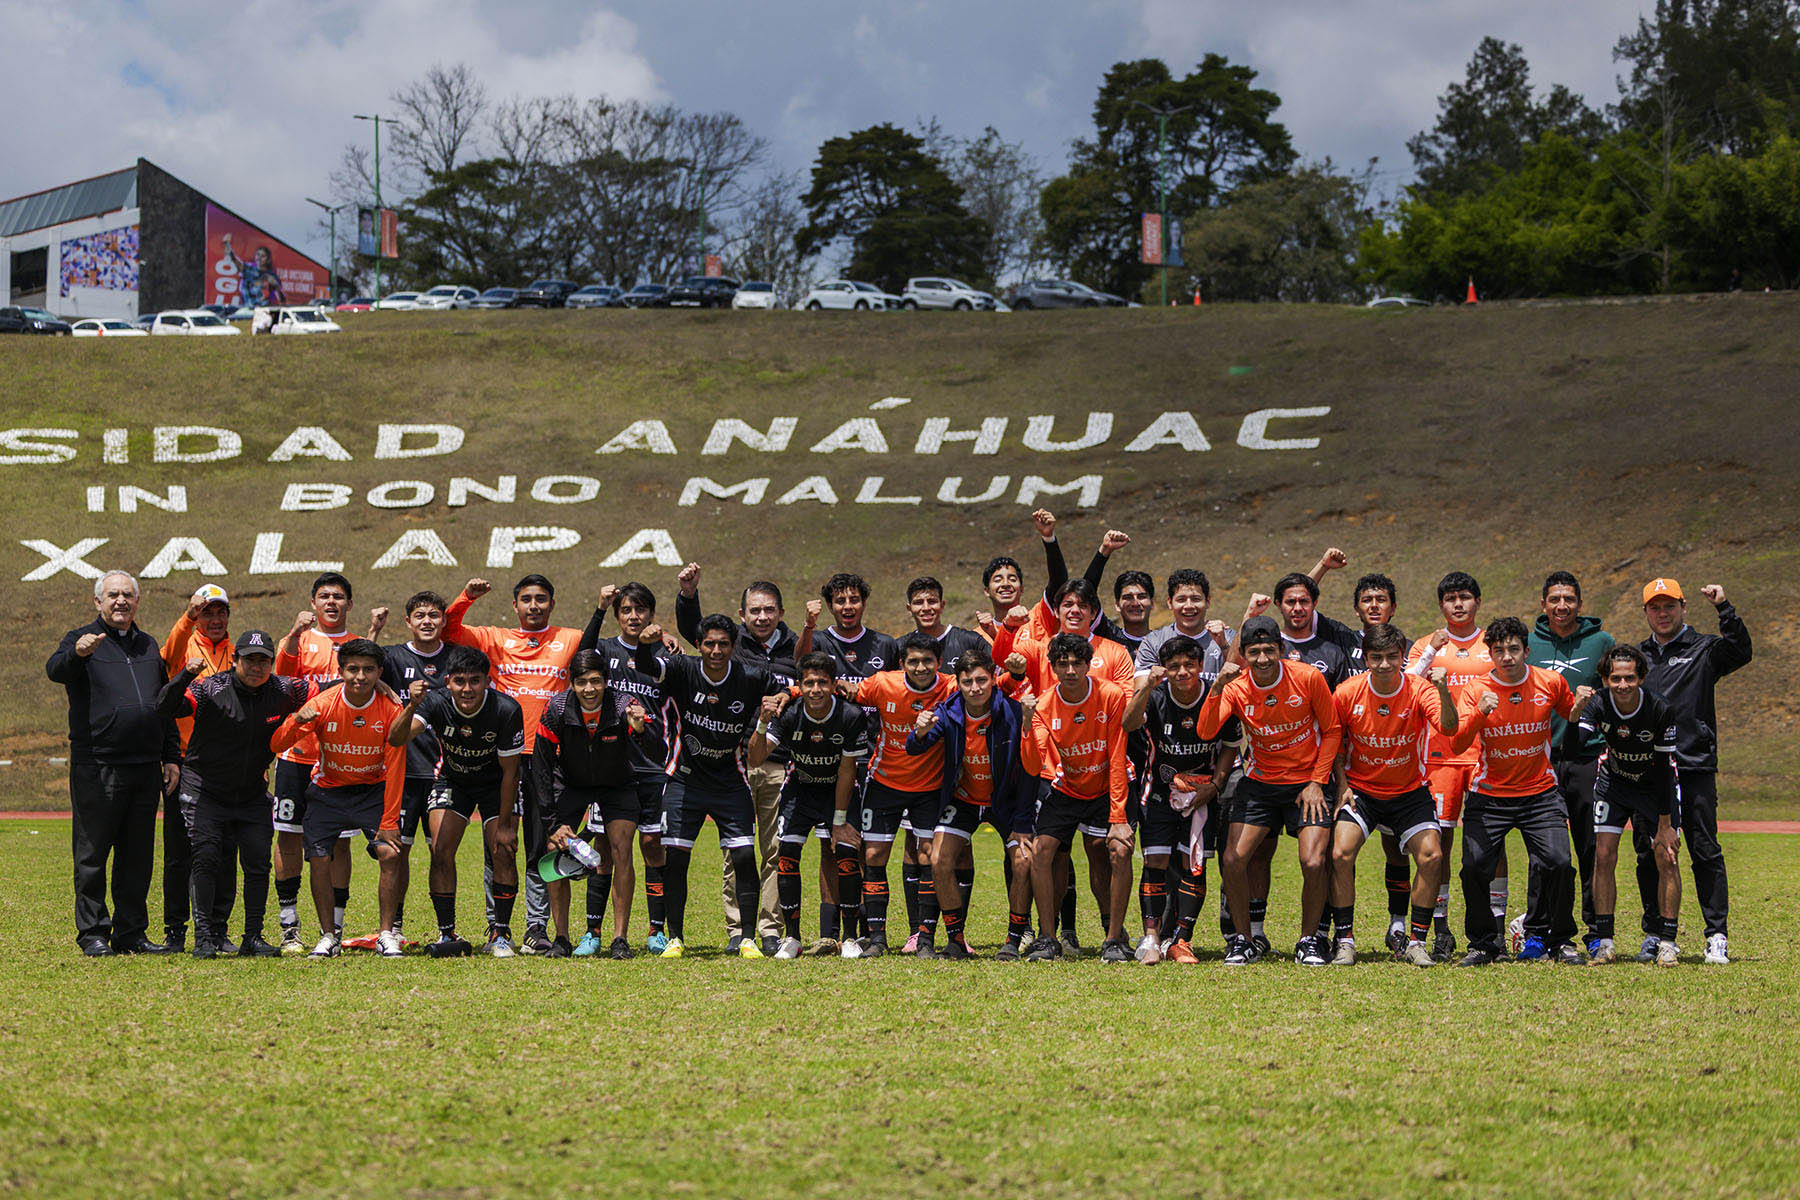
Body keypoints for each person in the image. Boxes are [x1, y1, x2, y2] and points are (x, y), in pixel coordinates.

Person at [443, 574, 583, 956]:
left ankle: (536, 927)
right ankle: (497, 926)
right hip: (500, 754)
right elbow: (450, 630)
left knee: (541, 841)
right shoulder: (494, 638)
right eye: (526, 599)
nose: (534, 606)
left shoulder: (570, 637)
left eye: (541, 599)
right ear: (515, 605)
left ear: (552, 604)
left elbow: (604, 654)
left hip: (548, 756)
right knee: (500, 843)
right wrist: (465, 597)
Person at [46, 571, 181, 956]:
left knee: (137, 856)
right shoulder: (80, 639)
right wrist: (78, 653)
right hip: (98, 764)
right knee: (92, 853)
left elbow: (165, 704)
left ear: (137, 601)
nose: (121, 601)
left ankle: (131, 933)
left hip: (144, 765)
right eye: (113, 595)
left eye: (128, 595)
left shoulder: (148, 644)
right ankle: (93, 933)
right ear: (97, 602)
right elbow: (55, 670)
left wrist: (170, 756)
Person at [633, 614, 784, 957]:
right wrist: (645, 642)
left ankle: (747, 938)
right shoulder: (682, 669)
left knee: (745, 855)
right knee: (676, 859)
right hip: (684, 778)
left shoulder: (750, 675)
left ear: (733, 647)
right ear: (699, 645)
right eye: (709, 644)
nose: (716, 650)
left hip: (729, 779)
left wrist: (779, 701)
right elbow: (644, 664)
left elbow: (784, 688)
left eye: (723, 644)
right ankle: (676, 938)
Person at [156, 630, 312, 958]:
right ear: (235, 660)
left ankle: (252, 937)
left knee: (257, 862)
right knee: (207, 856)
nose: (257, 666)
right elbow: (165, 705)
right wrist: (185, 675)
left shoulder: (284, 689)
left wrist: (379, 686)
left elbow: (331, 689)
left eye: (264, 660)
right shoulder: (211, 687)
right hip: (205, 788)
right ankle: (204, 937)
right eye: (250, 659)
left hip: (252, 791)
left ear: (271, 662)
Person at [1448, 617, 1593, 966]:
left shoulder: (1550, 682)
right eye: (1499, 651)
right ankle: (1484, 944)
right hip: (1490, 795)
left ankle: (1559, 940)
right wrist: (1480, 713)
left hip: (1540, 793)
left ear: (1527, 650)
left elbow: (1569, 715)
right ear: (1490, 654)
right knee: (1474, 868)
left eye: (1514, 649)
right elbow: (1458, 743)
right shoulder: (1475, 690)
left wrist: (1575, 712)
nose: (1507, 657)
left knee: (1558, 863)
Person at [1201, 616, 1342, 966]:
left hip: (1306, 784)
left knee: (1312, 861)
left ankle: (1310, 940)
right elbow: (1206, 731)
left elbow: (1333, 730)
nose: (1262, 659)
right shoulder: (1236, 687)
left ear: (1281, 649)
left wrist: (1316, 781)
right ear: (1244, 655)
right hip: (1261, 783)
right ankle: (1244, 940)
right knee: (1233, 859)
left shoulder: (1307, 677)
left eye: (1268, 650)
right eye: (1254, 652)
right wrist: (1218, 684)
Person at [675, 566, 796, 955]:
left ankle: (771, 928)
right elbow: (697, 631)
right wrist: (689, 594)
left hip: (777, 758)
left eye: (770, 609)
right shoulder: (731, 643)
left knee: (774, 848)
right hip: (736, 761)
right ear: (743, 614)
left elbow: (811, 680)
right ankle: (737, 929)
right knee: (737, 852)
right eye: (755, 610)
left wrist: (786, 697)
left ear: (780, 612)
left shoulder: (795, 644)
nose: (762, 616)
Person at [268, 639, 409, 959]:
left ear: (379, 673)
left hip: (372, 791)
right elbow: (277, 744)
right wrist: (297, 720)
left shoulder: (390, 707)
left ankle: (387, 935)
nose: (360, 676)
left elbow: (397, 765)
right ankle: (328, 936)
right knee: (319, 858)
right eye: (353, 669)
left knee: (390, 854)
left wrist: (389, 822)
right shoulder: (323, 702)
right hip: (328, 792)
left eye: (369, 670)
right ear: (341, 670)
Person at [1636, 578, 1752, 965]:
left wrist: (1724, 607)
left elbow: (1741, 651)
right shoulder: (1638, 657)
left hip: (1694, 763)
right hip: (1649, 771)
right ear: (1646, 613)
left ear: (1684, 607)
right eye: (1655, 607)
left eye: (1670, 606)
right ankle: (1654, 933)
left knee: (1704, 850)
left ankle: (1715, 935)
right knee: (1648, 851)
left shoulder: (1704, 649)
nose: (1663, 613)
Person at [1328, 624, 1458, 968]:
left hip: (1409, 792)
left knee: (1432, 856)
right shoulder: (1347, 692)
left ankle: (1416, 941)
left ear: (1403, 657)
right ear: (1366, 658)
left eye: (1392, 657)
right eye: (1376, 657)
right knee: (1340, 853)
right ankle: (1344, 940)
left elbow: (1448, 727)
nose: (1385, 665)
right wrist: (1342, 784)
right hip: (1363, 793)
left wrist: (1443, 691)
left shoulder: (1420, 689)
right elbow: (1335, 743)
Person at [388, 645, 526, 958]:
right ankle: (447, 931)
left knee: (504, 849)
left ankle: (500, 933)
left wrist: (505, 826)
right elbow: (396, 738)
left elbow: (510, 773)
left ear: (487, 682)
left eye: (475, 681)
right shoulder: (435, 701)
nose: (467, 689)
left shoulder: (506, 709)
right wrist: (411, 705)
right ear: (448, 681)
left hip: (495, 784)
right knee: (440, 849)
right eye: (460, 681)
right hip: (454, 780)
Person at [271, 572, 383, 953]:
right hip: (297, 756)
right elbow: (279, 683)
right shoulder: (300, 639)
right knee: (288, 836)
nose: (331, 602)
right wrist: (291, 633)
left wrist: (374, 633)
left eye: (338, 596)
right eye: (324, 596)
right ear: (313, 603)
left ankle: (332, 928)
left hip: (340, 760)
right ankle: (290, 927)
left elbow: (369, 682)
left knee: (338, 844)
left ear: (349, 603)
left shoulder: (356, 646)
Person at [907, 650, 1038, 960]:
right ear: (959, 684)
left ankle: (1013, 938)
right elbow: (914, 747)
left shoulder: (1012, 711)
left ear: (993, 679)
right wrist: (920, 730)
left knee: (1023, 861)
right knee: (938, 859)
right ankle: (956, 940)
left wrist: (1022, 822)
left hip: (1005, 802)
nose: (976, 688)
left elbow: (1031, 771)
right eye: (968, 682)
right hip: (964, 800)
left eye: (982, 680)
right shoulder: (949, 711)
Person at [520, 650, 651, 959]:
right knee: (555, 850)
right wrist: (552, 822)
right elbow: (540, 765)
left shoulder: (623, 706)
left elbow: (655, 749)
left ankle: (620, 938)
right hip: (572, 782)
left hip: (616, 783)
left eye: (595, 681)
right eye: (581, 683)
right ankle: (562, 938)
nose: (589, 689)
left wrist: (641, 728)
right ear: (572, 683)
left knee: (621, 847)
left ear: (606, 682)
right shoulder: (556, 708)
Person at [840, 632, 960, 956]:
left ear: (939, 663)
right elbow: (845, 690)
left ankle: (924, 940)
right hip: (884, 782)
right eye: (913, 661)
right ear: (902, 663)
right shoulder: (883, 683)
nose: (920, 668)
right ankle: (877, 940)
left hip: (929, 788)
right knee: (874, 857)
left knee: (926, 858)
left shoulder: (951, 687)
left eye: (927, 661)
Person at [1123, 634, 1237, 965]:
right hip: (1158, 794)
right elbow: (1127, 723)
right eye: (1174, 666)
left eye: (1189, 665)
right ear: (1165, 670)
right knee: (1155, 862)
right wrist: (1145, 687)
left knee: (1193, 865)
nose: (1182, 671)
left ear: (1201, 666)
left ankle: (1182, 940)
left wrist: (1215, 786)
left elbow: (1230, 744)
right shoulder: (1155, 696)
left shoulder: (1216, 698)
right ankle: (1151, 938)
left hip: (1200, 796)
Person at [1020, 633, 1133, 962]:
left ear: (1088, 664)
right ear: (1052, 667)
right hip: (1068, 788)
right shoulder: (1042, 704)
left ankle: (1113, 940)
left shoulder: (1109, 694)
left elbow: (1116, 756)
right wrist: (1027, 724)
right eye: (1062, 664)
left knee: (1119, 851)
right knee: (1041, 852)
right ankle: (1047, 938)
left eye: (1077, 663)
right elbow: (1032, 764)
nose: (1070, 670)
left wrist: (1118, 818)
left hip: (1106, 787)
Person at [747, 652, 869, 958]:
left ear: (832, 685)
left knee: (846, 854)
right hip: (801, 789)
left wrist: (839, 821)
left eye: (822, 683)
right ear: (800, 686)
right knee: (786, 854)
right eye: (809, 683)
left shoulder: (851, 716)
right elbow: (756, 757)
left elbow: (846, 770)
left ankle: (851, 937)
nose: (816, 689)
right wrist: (762, 724)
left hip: (838, 791)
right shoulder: (789, 714)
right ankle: (793, 937)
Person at [1404, 571, 1494, 960]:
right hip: (1439, 756)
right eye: (1451, 598)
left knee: (1490, 841)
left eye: (1465, 597)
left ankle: (1493, 921)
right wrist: (1430, 652)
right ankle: (1440, 928)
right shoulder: (1426, 644)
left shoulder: (1495, 643)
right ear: (1441, 605)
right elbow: (1405, 686)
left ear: (1477, 601)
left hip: (1486, 754)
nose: (1458, 604)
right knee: (1439, 842)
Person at [581, 582, 676, 954]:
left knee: (652, 845)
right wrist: (600, 607)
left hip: (651, 765)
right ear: (618, 615)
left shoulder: (666, 652)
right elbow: (582, 653)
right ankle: (594, 933)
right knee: (605, 848)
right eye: (626, 610)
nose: (633, 616)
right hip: (608, 766)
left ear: (651, 614)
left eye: (640, 610)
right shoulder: (604, 650)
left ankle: (655, 930)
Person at [1575, 645, 1681, 966]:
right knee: (1603, 856)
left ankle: (1667, 941)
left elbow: (1664, 770)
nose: (1622, 685)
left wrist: (1664, 825)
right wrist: (1582, 711)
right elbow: (1579, 739)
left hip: (1654, 786)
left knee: (1667, 856)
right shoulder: (1598, 703)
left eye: (1630, 678)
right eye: (1615, 678)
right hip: (1615, 783)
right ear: (1606, 679)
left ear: (1642, 678)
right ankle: (1605, 941)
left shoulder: (1660, 709)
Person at [1525, 571, 1614, 952]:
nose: (1562, 606)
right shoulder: (1528, 643)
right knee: (1543, 849)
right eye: (1555, 599)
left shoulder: (1601, 642)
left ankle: (1595, 932)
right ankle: (1537, 932)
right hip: (1539, 758)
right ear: (1543, 604)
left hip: (1587, 757)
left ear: (1580, 602)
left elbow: (1615, 693)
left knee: (1589, 845)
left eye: (1569, 599)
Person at [374, 590, 457, 947]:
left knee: (442, 851)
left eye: (434, 615)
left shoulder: (456, 657)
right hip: (402, 772)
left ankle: (446, 931)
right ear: (408, 622)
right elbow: (358, 669)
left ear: (443, 620)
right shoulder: (392, 656)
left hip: (444, 772)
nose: (427, 621)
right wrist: (374, 632)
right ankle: (394, 929)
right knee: (398, 852)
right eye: (420, 615)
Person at [158, 583, 236, 951]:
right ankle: (175, 931)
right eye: (208, 612)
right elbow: (166, 656)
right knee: (179, 853)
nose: (215, 619)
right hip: (185, 760)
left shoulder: (239, 653)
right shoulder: (183, 645)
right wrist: (188, 616)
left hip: (228, 764)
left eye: (221, 612)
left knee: (223, 851)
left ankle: (218, 930)